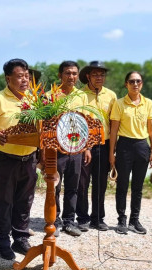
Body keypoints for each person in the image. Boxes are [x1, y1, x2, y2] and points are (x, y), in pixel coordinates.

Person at [0, 58, 38, 260]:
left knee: (25, 200)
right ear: (8, 78)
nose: (25, 80)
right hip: (5, 159)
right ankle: (3, 241)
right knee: (4, 202)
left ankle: (21, 238)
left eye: (27, 76)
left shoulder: (33, 99)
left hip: (29, 158)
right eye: (20, 76)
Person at [109, 71, 152, 235]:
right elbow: (113, 131)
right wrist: (111, 153)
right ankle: (121, 219)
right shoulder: (119, 103)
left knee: (138, 187)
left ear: (142, 84)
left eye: (138, 81)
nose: (135, 84)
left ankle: (134, 220)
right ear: (126, 84)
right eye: (132, 81)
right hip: (124, 146)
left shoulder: (148, 103)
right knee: (122, 185)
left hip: (142, 147)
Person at [76, 61, 117, 232]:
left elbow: (114, 124)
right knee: (82, 183)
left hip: (104, 143)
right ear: (88, 76)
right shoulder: (79, 95)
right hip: (84, 144)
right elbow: (77, 122)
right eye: (95, 74)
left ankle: (98, 218)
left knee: (100, 183)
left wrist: (113, 149)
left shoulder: (111, 95)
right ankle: (82, 218)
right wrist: (84, 146)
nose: (99, 78)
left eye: (102, 75)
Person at [54, 61, 90, 237]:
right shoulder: (51, 96)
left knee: (72, 186)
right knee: (54, 186)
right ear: (60, 75)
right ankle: (53, 220)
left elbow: (86, 123)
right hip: (56, 150)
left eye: (75, 73)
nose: (71, 77)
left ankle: (69, 221)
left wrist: (87, 148)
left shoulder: (82, 96)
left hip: (76, 149)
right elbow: (44, 126)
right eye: (68, 73)